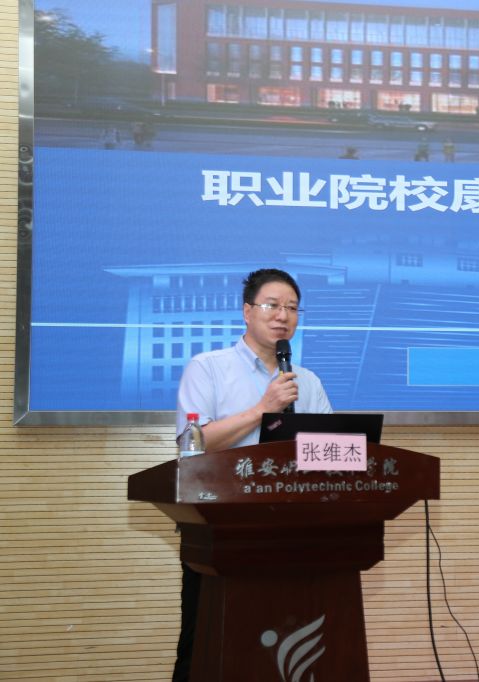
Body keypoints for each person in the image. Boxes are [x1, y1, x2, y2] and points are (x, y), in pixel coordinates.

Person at [172, 268, 332, 681]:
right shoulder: (208, 367)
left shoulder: (307, 381)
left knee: (286, 642)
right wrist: (263, 410)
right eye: (272, 305)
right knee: (207, 643)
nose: (283, 316)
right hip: (220, 527)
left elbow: (331, 453)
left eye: (292, 308)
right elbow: (195, 442)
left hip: (293, 531)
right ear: (247, 311)